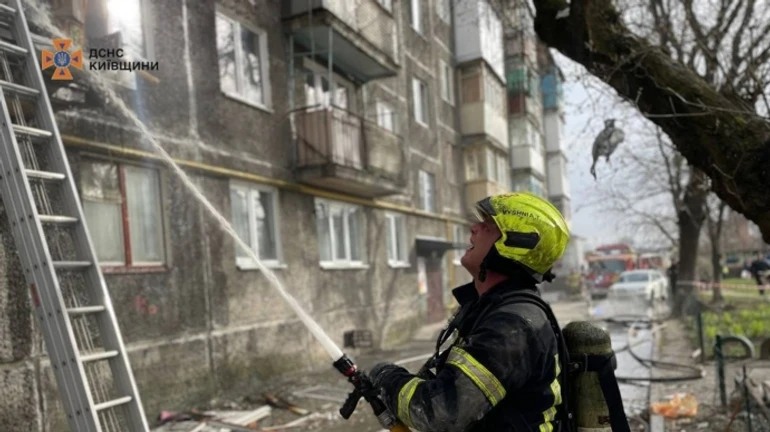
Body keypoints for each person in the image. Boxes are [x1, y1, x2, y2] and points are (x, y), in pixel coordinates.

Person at [366, 192, 570, 432]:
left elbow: (440, 413)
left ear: (516, 243)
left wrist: (386, 377)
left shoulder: (511, 327)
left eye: (488, 225)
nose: (474, 228)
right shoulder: (492, 309)